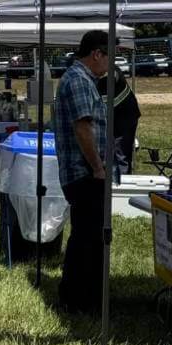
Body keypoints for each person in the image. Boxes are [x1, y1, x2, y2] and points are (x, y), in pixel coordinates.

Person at [54, 30, 111, 315]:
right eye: (110, 57)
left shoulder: (81, 79)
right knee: (88, 239)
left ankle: (78, 297)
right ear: (97, 54)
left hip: (83, 172)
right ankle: (79, 300)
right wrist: (98, 167)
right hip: (84, 173)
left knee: (86, 236)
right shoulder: (78, 80)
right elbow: (82, 128)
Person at [97, 68, 140, 174]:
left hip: (124, 116)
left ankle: (120, 186)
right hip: (116, 114)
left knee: (120, 155)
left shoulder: (108, 72)